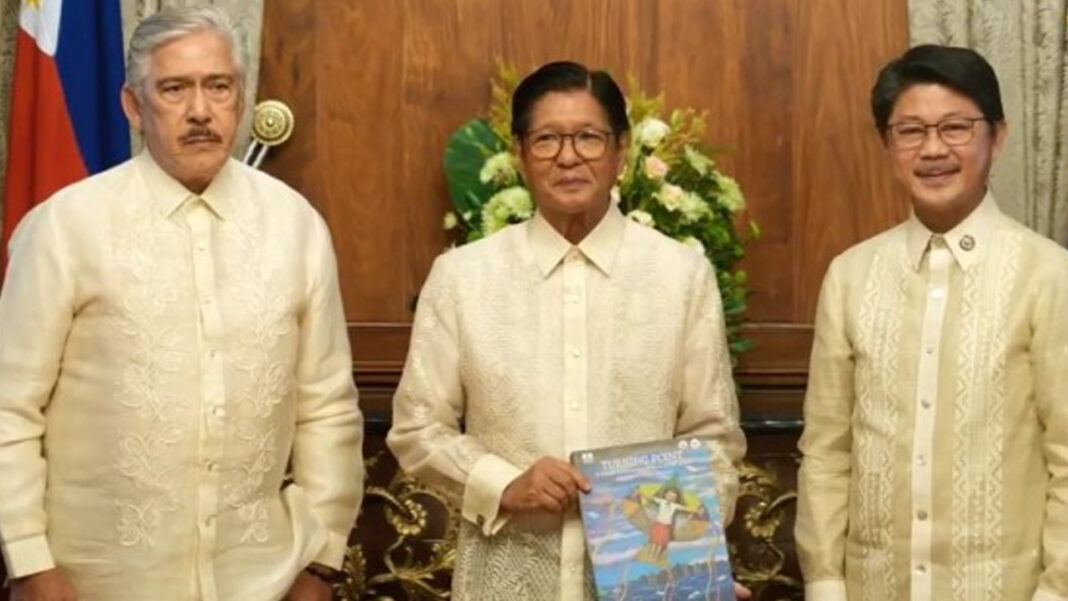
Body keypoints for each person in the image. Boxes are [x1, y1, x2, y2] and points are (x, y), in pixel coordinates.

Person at [0, 7, 363, 601]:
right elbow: (9, 407)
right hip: (94, 584)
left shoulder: (295, 227)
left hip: (261, 582)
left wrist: (321, 562)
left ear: (240, 98)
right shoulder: (65, 227)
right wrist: (30, 563)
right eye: (174, 89)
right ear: (133, 106)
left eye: (218, 87)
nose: (200, 110)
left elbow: (327, 408)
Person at [387, 61, 745, 600]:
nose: (568, 156)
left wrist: (692, 562)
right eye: (547, 139)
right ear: (519, 153)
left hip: (645, 585)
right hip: (506, 577)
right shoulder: (464, 277)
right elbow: (417, 427)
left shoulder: (680, 276)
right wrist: (503, 484)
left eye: (588, 138)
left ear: (621, 150)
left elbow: (713, 440)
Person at [795, 44, 1068, 601]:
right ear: (886, 143)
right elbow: (826, 451)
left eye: (956, 127)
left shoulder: (1049, 276)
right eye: (911, 131)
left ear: (998, 136)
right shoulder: (850, 275)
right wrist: (825, 584)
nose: (934, 149)